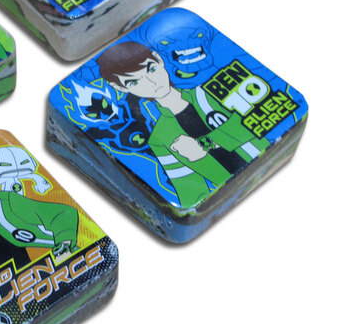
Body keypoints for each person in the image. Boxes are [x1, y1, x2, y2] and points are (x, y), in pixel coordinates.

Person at [97, 41, 268, 208]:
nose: (152, 82)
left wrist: (204, 144)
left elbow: (255, 121)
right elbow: (192, 195)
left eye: (151, 69)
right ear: (120, 88)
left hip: (265, 162)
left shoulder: (208, 91)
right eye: (134, 82)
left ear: (159, 59)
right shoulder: (159, 139)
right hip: (234, 199)